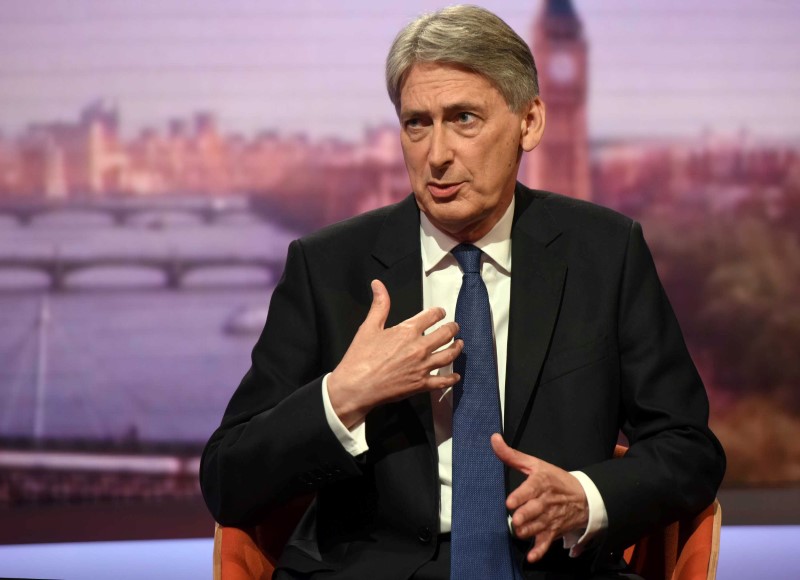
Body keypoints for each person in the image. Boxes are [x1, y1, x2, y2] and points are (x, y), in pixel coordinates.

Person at [200, 5, 725, 579]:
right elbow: (227, 480)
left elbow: (688, 450)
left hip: (553, 567)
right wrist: (342, 396)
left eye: (465, 119)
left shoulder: (604, 253)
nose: (437, 154)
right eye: (417, 123)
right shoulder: (328, 267)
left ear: (529, 123)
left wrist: (586, 496)